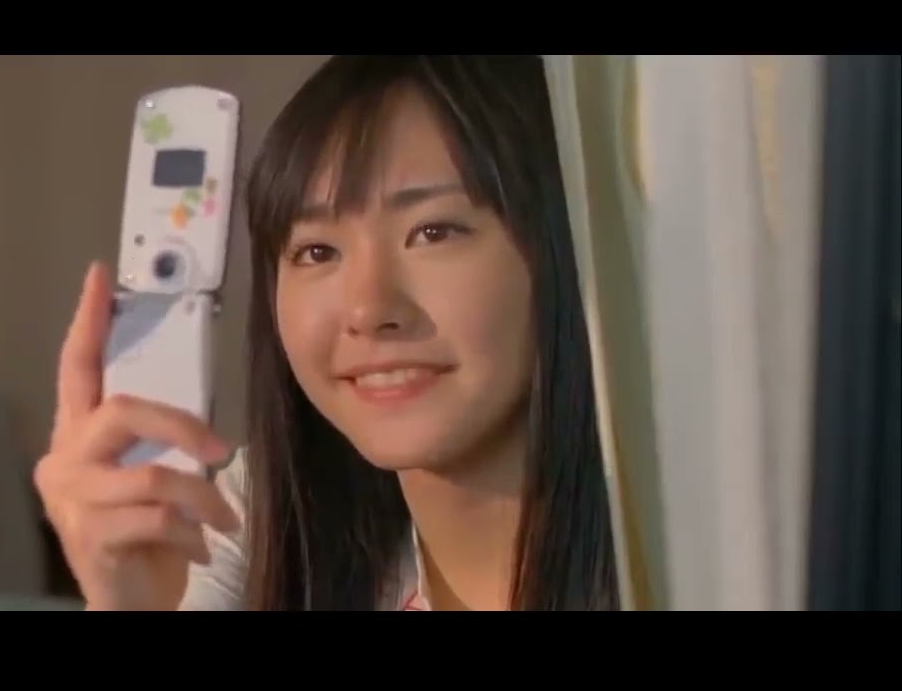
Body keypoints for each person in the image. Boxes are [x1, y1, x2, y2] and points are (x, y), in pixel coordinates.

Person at [35, 55, 620, 611]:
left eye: (433, 232)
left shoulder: (669, 542)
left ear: (562, 246)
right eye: (317, 251)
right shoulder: (262, 518)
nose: (368, 309)